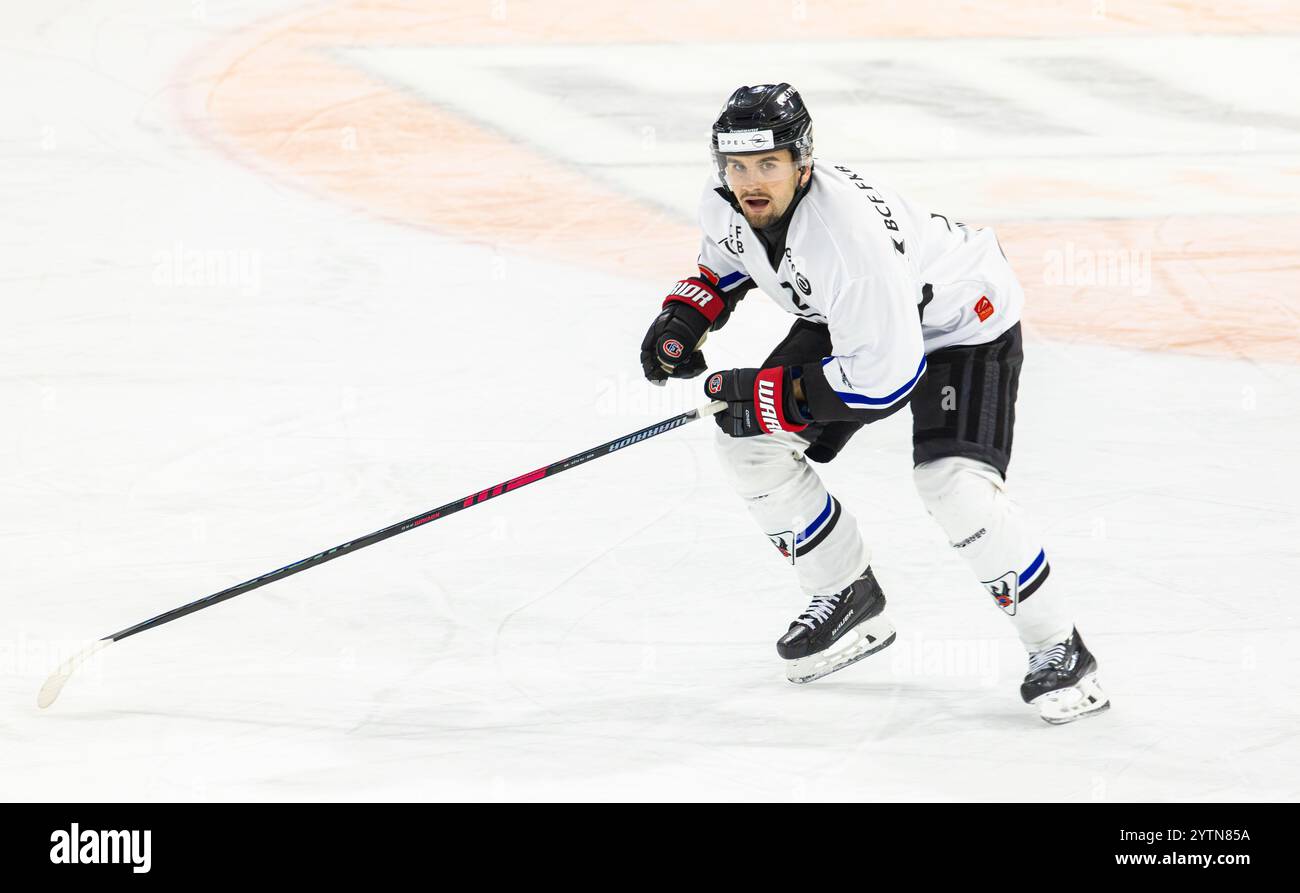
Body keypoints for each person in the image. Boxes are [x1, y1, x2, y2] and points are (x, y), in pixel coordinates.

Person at [639, 83, 1109, 724]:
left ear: (802, 162)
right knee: (748, 443)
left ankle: (1061, 650)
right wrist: (683, 318)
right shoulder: (727, 203)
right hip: (855, 317)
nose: (749, 181)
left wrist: (761, 393)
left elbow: (882, 380)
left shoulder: (848, 241)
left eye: (767, 164)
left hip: (960, 325)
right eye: (737, 165)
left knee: (951, 486)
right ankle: (846, 593)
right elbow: (725, 264)